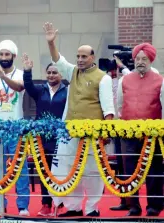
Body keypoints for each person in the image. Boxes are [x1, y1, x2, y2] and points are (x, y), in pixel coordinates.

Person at [44, 22, 115, 217]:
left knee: (92, 171)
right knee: (71, 169)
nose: (80, 59)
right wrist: (51, 43)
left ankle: (92, 208)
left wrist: (106, 133)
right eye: (78, 56)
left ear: (92, 57)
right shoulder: (73, 72)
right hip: (70, 133)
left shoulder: (103, 78)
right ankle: (73, 208)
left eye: (84, 56)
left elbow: (108, 108)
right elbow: (58, 60)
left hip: (93, 136)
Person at [0, 40, 30, 216]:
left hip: (16, 127)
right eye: (1, 54)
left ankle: (23, 206)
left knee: (20, 167)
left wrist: (2, 76)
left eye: (7, 54)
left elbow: (19, 87)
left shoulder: (20, 74)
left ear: (14, 56)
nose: (3, 58)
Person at [117, 43, 164, 217]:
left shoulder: (160, 80)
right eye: (138, 58)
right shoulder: (125, 80)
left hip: (152, 136)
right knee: (130, 171)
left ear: (150, 60)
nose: (140, 62)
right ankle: (133, 206)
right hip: (129, 135)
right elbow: (120, 106)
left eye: (144, 59)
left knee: (153, 171)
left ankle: (154, 205)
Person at [22, 54, 67, 216]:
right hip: (42, 139)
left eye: (54, 72)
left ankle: (60, 203)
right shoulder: (40, 91)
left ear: (61, 75)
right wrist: (27, 70)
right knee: (44, 172)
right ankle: (46, 204)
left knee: (59, 171)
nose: (51, 75)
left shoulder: (67, 92)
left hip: (61, 139)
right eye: (49, 72)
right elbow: (28, 86)